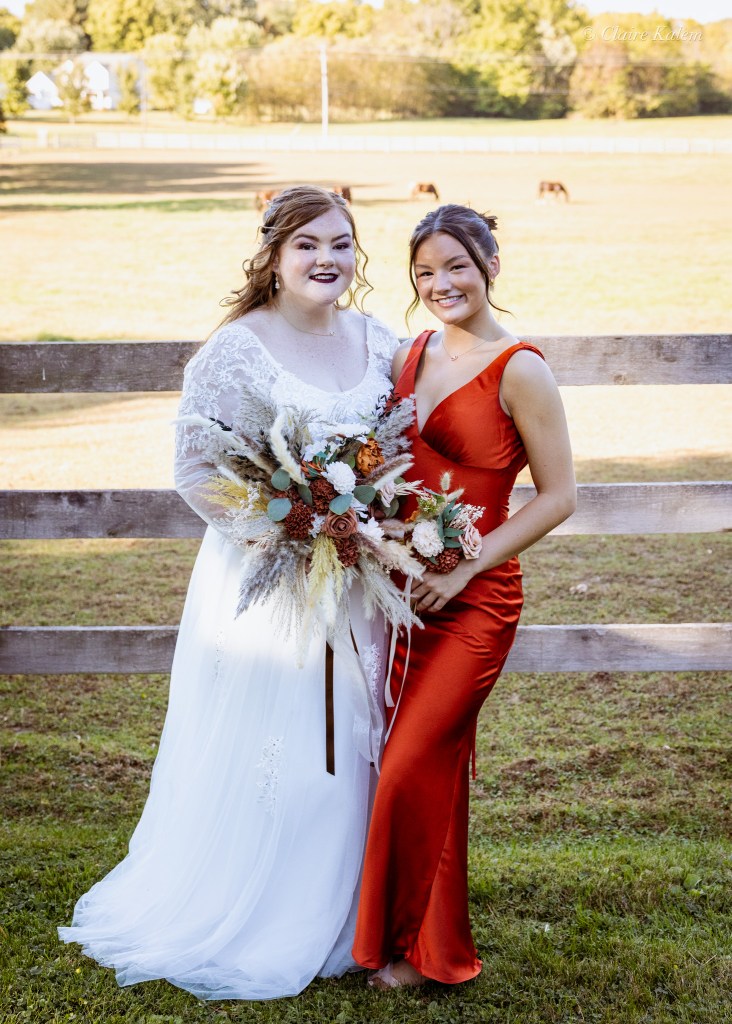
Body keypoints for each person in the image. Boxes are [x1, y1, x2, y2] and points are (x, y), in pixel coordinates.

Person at [58, 186, 401, 1000]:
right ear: (274, 258)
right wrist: (295, 530)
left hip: (362, 581)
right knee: (283, 743)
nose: (326, 259)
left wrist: (374, 524)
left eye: (341, 244)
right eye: (307, 245)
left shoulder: (382, 340)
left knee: (354, 743)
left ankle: (356, 912)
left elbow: (400, 451)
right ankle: (267, 911)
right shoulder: (234, 349)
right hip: (270, 582)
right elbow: (194, 471)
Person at [352, 204, 576, 988]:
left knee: (410, 763)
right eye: (424, 272)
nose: (440, 283)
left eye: (456, 266)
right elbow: (382, 466)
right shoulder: (407, 355)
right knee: (418, 766)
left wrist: (463, 569)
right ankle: (421, 947)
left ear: (490, 267)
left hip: (475, 600)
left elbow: (559, 498)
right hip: (401, 593)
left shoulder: (520, 368)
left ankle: (414, 944)